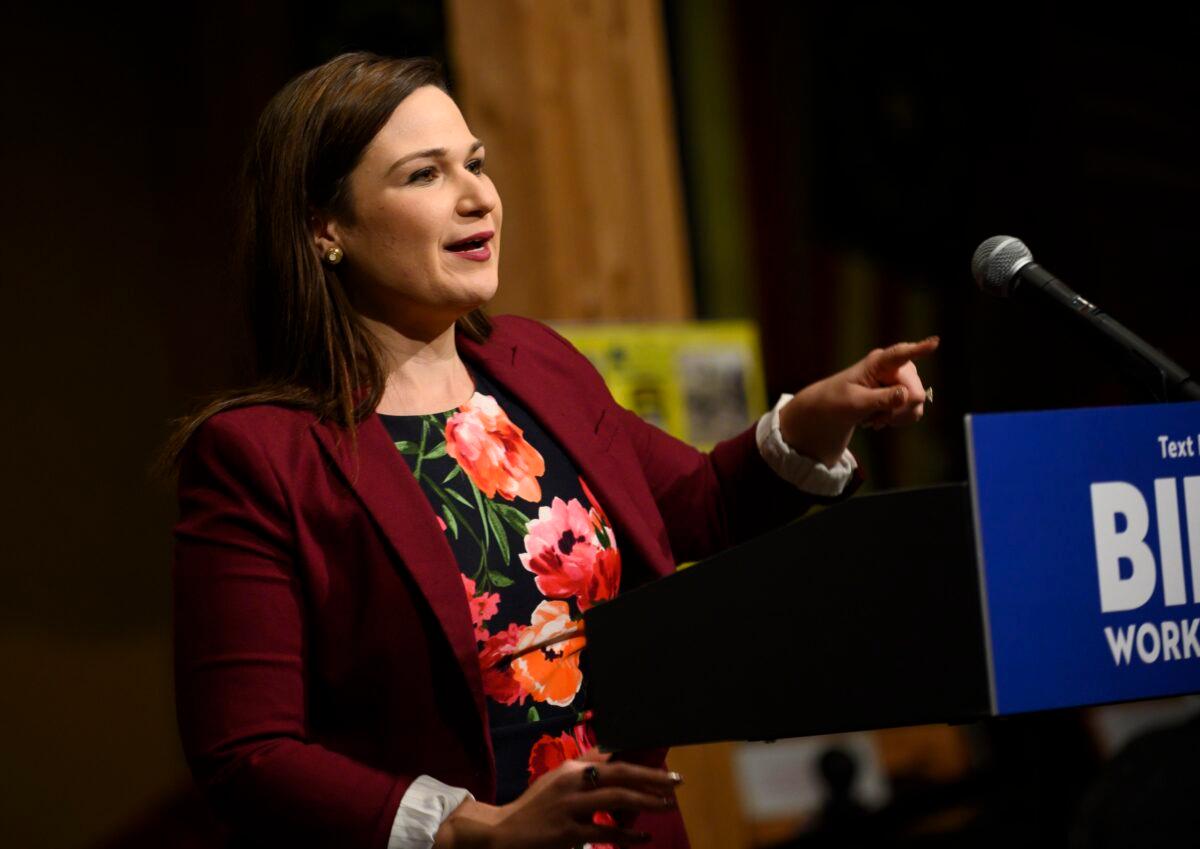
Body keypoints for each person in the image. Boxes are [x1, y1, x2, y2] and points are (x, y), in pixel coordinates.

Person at [165, 52, 936, 849]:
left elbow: (699, 506)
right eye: (424, 176)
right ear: (327, 228)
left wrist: (817, 414)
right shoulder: (258, 455)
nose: (478, 198)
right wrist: (471, 832)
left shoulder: (538, 366)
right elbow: (246, 754)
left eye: (475, 163)